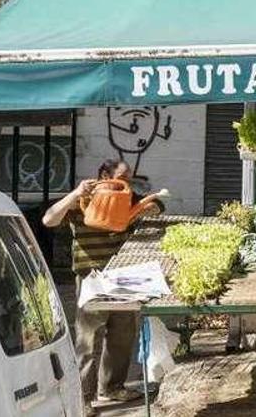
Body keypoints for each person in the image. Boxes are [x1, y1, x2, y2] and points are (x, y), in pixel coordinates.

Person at [42, 159, 164, 415]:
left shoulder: (127, 196)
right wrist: (75, 193)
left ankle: (111, 387)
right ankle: (83, 398)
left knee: (122, 335)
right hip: (90, 277)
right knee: (88, 339)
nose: (126, 181)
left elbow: (158, 204)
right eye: (122, 176)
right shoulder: (81, 202)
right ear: (104, 175)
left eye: (128, 177)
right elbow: (49, 220)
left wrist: (149, 209)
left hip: (124, 276)